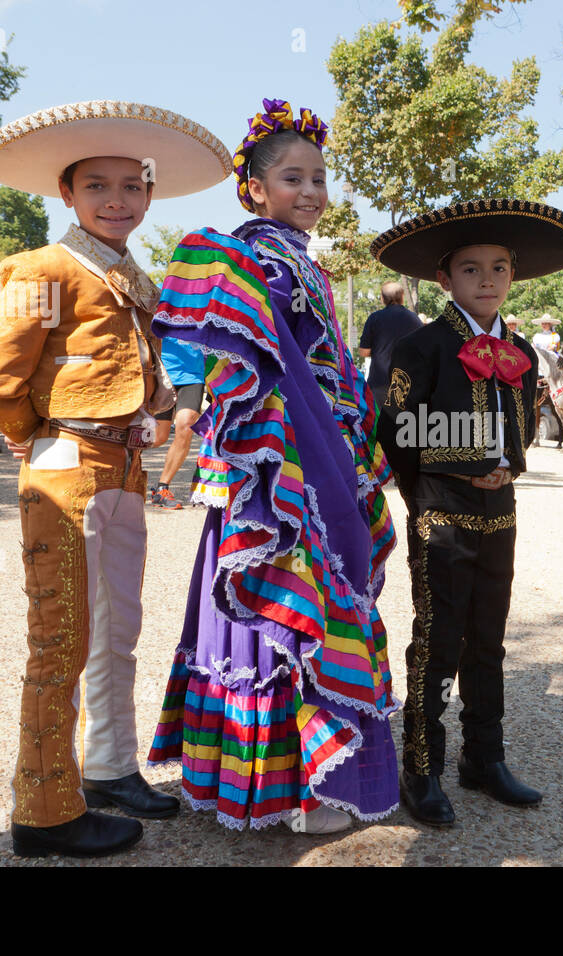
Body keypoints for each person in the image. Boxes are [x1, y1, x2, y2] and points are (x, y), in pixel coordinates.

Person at [0, 99, 232, 858]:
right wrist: (30, 437)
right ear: (67, 196)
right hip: (64, 457)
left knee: (118, 628)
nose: (117, 199)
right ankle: (43, 812)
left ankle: (111, 768)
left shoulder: (134, 274)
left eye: (132, 185)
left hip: (124, 461)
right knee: (60, 639)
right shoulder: (40, 267)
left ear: (149, 195)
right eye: (97, 186)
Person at [147, 99, 399, 836]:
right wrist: (326, 469)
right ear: (253, 187)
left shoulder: (298, 261)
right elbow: (270, 375)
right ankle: (300, 789)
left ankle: (270, 782)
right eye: (294, 178)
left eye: (321, 177)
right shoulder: (259, 257)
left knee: (279, 607)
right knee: (297, 599)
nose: (313, 191)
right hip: (285, 470)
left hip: (295, 461)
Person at [374, 197, 563, 827]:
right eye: (471, 268)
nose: (486, 278)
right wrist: (460, 465)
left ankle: (483, 758)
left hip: (501, 514)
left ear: (512, 275)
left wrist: (508, 465)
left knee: (489, 642)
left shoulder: (519, 351)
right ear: (445, 279)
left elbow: (521, 426)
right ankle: (421, 768)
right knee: (437, 644)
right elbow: (394, 428)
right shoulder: (423, 347)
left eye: (498, 266)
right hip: (441, 515)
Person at [149, 336, 206, 509]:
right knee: (158, 437)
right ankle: (120, 475)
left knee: (186, 425)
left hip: (194, 376)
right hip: (162, 374)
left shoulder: (205, 308)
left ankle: (162, 489)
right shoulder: (162, 308)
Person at [358, 279, 422, 410]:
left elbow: (363, 352)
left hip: (379, 384)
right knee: (404, 428)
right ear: (402, 297)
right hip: (407, 385)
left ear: (382, 298)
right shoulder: (414, 319)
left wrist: (378, 350)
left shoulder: (374, 318)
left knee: (380, 427)